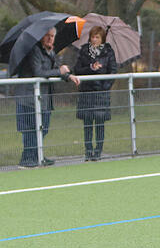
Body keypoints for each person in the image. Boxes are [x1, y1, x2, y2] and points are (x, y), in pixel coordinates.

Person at [15, 27, 80, 168]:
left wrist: (68, 76)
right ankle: (27, 160)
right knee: (31, 129)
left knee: (43, 128)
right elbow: (38, 72)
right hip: (29, 98)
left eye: (52, 36)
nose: (50, 38)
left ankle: (37, 156)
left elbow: (56, 71)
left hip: (44, 99)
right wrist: (59, 70)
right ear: (40, 37)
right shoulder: (34, 51)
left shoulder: (51, 52)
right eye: (47, 36)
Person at [73, 26, 118, 161]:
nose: (94, 39)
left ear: (102, 38)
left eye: (97, 37)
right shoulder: (84, 51)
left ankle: (98, 151)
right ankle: (88, 150)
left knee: (100, 122)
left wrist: (105, 87)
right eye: (93, 36)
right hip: (86, 91)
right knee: (87, 123)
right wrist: (91, 68)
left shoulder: (108, 52)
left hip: (101, 93)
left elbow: (113, 71)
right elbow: (77, 69)